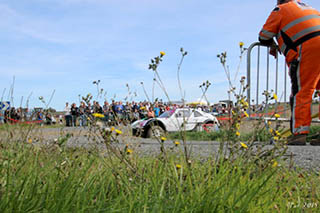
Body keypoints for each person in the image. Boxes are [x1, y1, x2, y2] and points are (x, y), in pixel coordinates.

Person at [259, 0, 320, 145]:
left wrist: (272, 45)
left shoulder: (280, 10)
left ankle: (299, 134)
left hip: (307, 49)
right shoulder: (309, 8)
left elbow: (264, 35)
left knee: (302, 92)